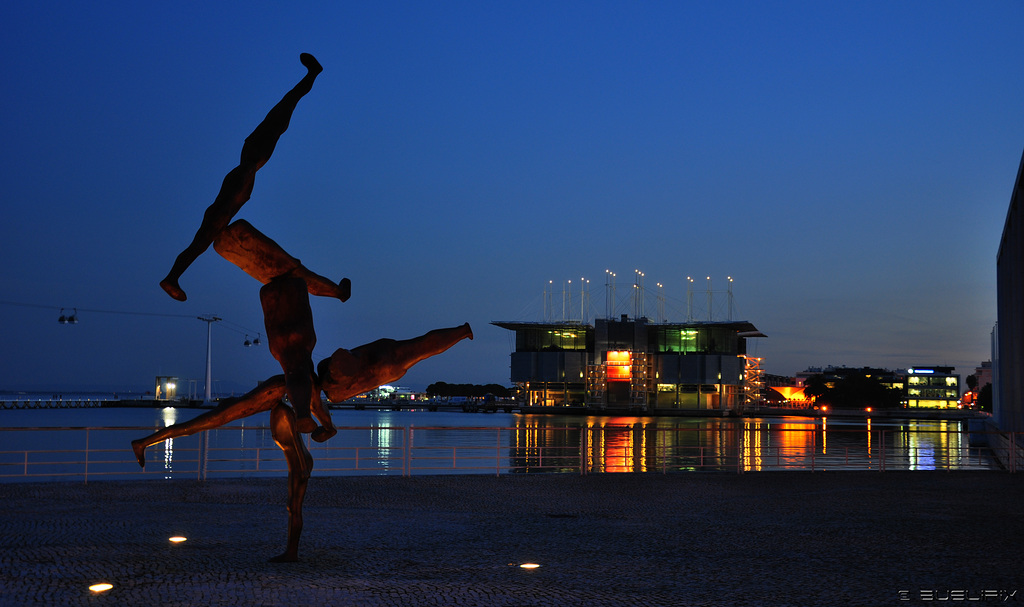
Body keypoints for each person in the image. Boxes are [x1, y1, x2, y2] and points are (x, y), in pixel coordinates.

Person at [160, 53, 323, 302]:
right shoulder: (245, 171)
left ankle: (173, 277)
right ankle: (172, 277)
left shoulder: (246, 170)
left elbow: (283, 111)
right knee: (199, 243)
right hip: (224, 208)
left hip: (225, 207)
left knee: (199, 243)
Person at [213, 219, 350, 302]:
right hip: (280, 267)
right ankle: (340, 293)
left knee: (307, 281)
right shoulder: (237, 229)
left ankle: (339, 293)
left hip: (269, 275)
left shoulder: (220, 247)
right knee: (307, 279)